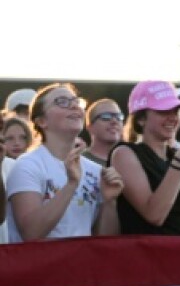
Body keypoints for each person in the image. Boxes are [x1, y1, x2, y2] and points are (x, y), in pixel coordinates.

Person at [5, 83, 125, 241]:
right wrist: (71, 184)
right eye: (62, 102)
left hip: (81, 264)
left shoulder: (95, 170)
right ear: (41, 121)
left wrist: (109, 202)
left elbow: (104, 242)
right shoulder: (27, 165)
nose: (74, 107)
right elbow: (31, 233)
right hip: (41, 265)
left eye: (77, 102)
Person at [109, 81, 180, 235]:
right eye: (163, 111)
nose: (172, 118)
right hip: (153, 254)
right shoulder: (124, 154)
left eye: (176, 111)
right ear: (141, 119)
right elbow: (154, 215)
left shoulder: (177, 156)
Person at [82, 99, 126, 166]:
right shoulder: (79, 161)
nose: (114, 121)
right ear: (90, 127)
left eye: (118, 117)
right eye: (106, 116)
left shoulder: (132, 162)